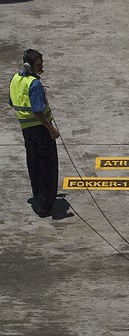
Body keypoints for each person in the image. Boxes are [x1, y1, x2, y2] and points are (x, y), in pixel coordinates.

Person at [9, 49, 60, 218]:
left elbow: (11, 102)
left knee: (34, 163)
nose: (42, 66)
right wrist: (50, 128)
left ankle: (39, 197)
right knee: (48, 166)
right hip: (41, 129)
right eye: (39, 63)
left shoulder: (16, 79)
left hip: (26, 129)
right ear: (29, 65)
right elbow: (38, 110)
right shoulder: (34, 83)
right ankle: (46, 205)